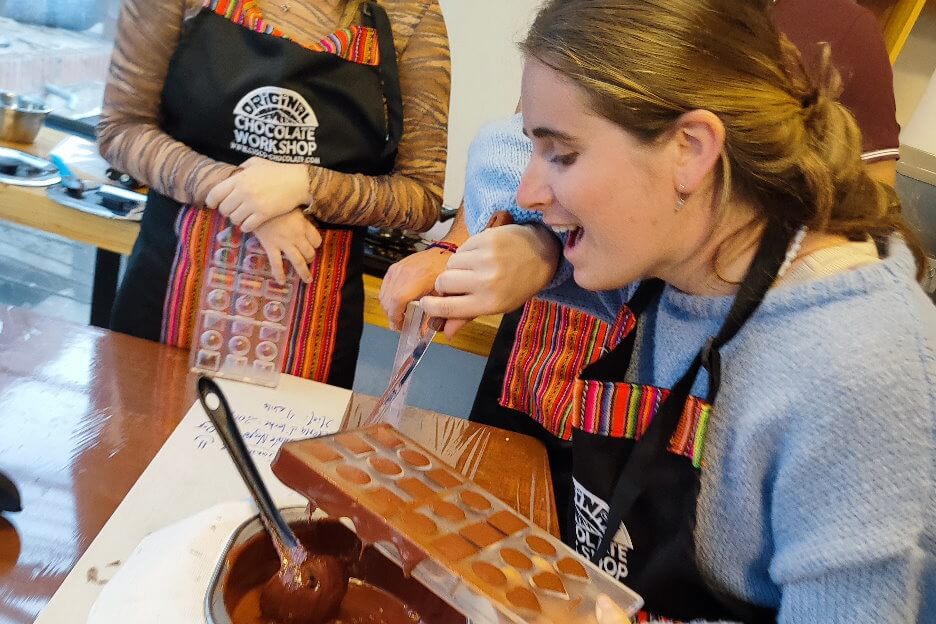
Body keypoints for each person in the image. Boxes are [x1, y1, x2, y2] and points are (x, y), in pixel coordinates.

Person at [420, 0, 936, 621]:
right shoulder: (685, 263)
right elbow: (517, 206)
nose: (528, 192)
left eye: (561, 155)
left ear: (691, 149)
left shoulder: (855, 370)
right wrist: (538, 248)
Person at [99, 0, 450, 388]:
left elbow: (421, 197)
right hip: (168, 295)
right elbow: (122, 129)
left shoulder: (411, 13)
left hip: (313, 332)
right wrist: (242, 194)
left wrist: (304, 185)